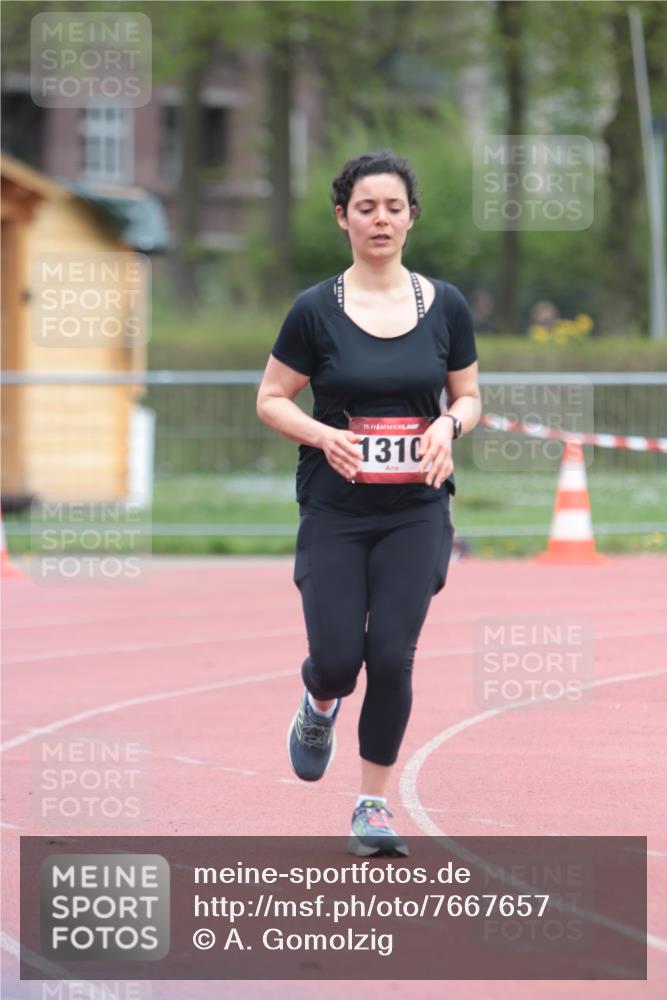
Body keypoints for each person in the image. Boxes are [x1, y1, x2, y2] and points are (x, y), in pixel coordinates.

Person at [256, 150, 481, 856]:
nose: (379, 218)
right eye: (365, 207)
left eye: (392, 206)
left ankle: (372, 804)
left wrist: (447, 424)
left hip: (415, 510)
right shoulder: (313, 311)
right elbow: (268, 400)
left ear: (411, 217)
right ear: (342, 219)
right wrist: (325, 436)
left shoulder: (444, 305)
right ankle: (318, 703)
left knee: (390, 655)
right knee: (335, 659)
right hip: (336, 510)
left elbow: (468, 395)